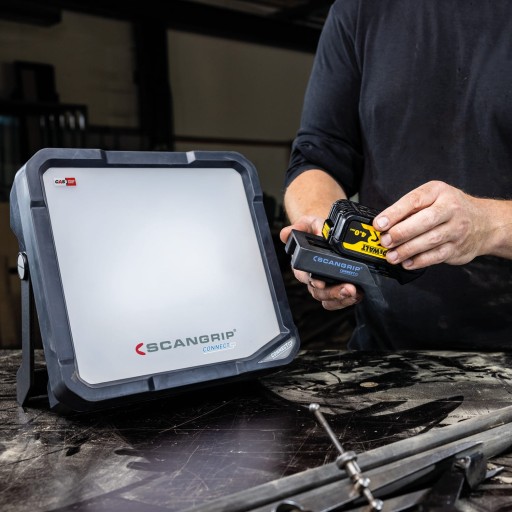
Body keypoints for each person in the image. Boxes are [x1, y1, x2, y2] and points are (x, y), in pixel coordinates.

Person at [280, 0, 512, 351]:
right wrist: (327, 238)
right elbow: (318, 155)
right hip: (388, 350)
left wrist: (489, 225)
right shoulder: (358, 10)